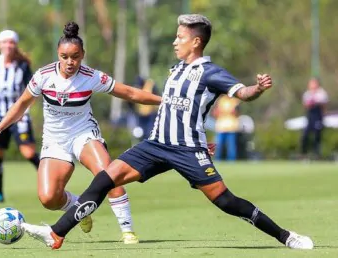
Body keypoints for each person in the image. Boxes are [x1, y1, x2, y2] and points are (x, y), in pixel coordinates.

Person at [17, 14, 314, 250]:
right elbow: (176, 108)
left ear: (196, 42)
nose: (175, 41)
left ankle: (286, 237)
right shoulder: (176, 69)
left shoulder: (210, 72)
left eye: (180, 37)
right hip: (155, 145)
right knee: (104, 180)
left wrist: (257, 88)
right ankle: (55, 234)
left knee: (226, 202)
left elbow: (242, 93)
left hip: (187, 151)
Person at [0, 22, 165, 244]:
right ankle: (79, 209)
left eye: (75, 57)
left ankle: (128, 231)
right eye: (65, 56)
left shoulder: (91, 76)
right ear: (58, 55)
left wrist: (164, 101)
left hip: (84, 134)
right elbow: (21, 104)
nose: (70, 62)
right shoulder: (43, 76)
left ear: (82, 55)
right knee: (49, 198)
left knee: (109, 174)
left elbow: (129, 93)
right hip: (54, 140)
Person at [0, 30, 40, 206]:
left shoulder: (23, 67)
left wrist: (24, 111)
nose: (8, 45)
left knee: (28, 153)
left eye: (11, 42)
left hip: (20, 118)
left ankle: (49, 184)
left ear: (15, 45)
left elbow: (33, 91)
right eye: (5, 42)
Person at [301, 78, 328, 159]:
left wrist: (316, 102)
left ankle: (317, 154)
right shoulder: (307, 94)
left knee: (317, 135)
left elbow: (324, 105)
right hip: (310, 116)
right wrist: (309, 103)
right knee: (305, 135)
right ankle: (303, 153)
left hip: (318, 116)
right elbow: (305, 105)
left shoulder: (322, 93)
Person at [212, 95, 241, 161]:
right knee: (218, 147)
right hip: (221, 127)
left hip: (232, 127)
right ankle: (217, 161)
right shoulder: (221, 100)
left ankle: (231, 162)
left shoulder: (235, 100)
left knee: (231, 147)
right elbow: (215, 112)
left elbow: (237, 112)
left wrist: (229, 111)